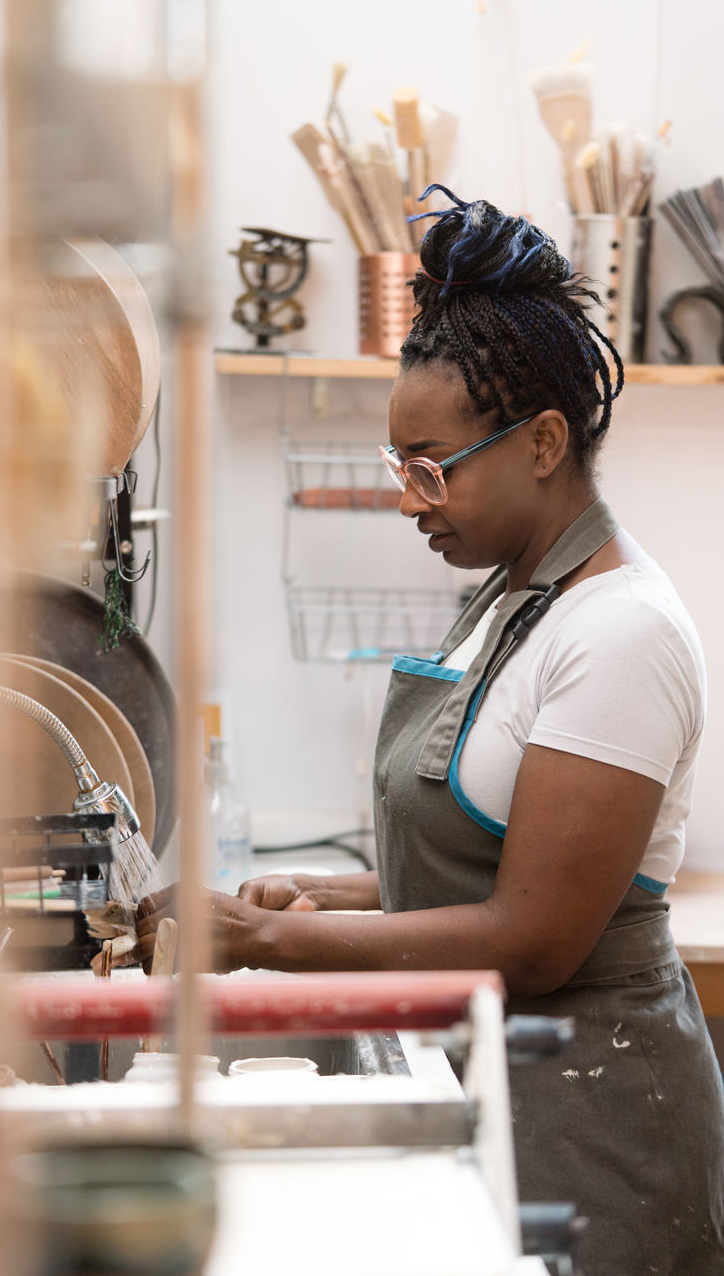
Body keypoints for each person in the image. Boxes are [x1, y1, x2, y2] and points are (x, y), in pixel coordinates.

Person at [138, 187, 724, 1274]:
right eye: (396, 465)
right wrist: (319, 898)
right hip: (501, 1087)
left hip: (595, 1125)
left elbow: (531, 935)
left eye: (431, 465)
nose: (411, 500)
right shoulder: (506, 600)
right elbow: (487, 864)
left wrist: (270, 942)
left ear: (543, 441)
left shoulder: (621, 631)